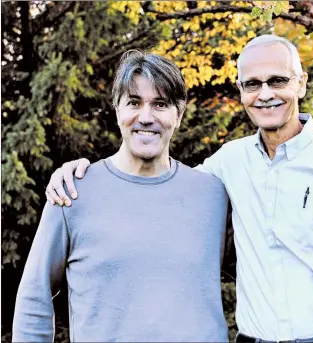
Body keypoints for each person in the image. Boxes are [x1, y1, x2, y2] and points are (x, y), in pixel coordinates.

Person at [44, 35, 313, 342]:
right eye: (253, 84)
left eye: (278, 80)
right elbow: (158, 183)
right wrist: (80, 173)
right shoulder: (229, 162)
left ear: (300, 83)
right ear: (241, 91)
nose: (266, 94)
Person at [12, 51, 229, 342]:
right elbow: (34, 298)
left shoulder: (213, 194)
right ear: (117, 110)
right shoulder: (72, 192)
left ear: (178, 114)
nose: (146, 117)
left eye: (161, 104)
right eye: (134, 103)